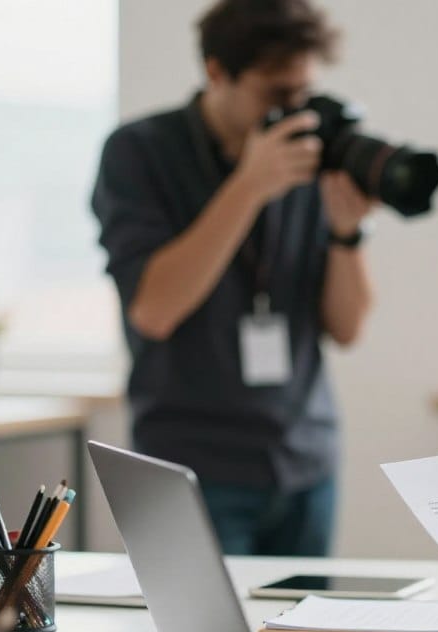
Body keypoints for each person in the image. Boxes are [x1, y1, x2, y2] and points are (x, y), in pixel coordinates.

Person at [91, 0, 373, 556]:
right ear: (217, 72)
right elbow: (154, 309)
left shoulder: (308, 154)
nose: (296, 113)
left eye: (304, 93)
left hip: (305, 462)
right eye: (276, 94)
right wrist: (248, 187)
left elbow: (347, 328)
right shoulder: (139, 152)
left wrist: (347, 232)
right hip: (189, 469)